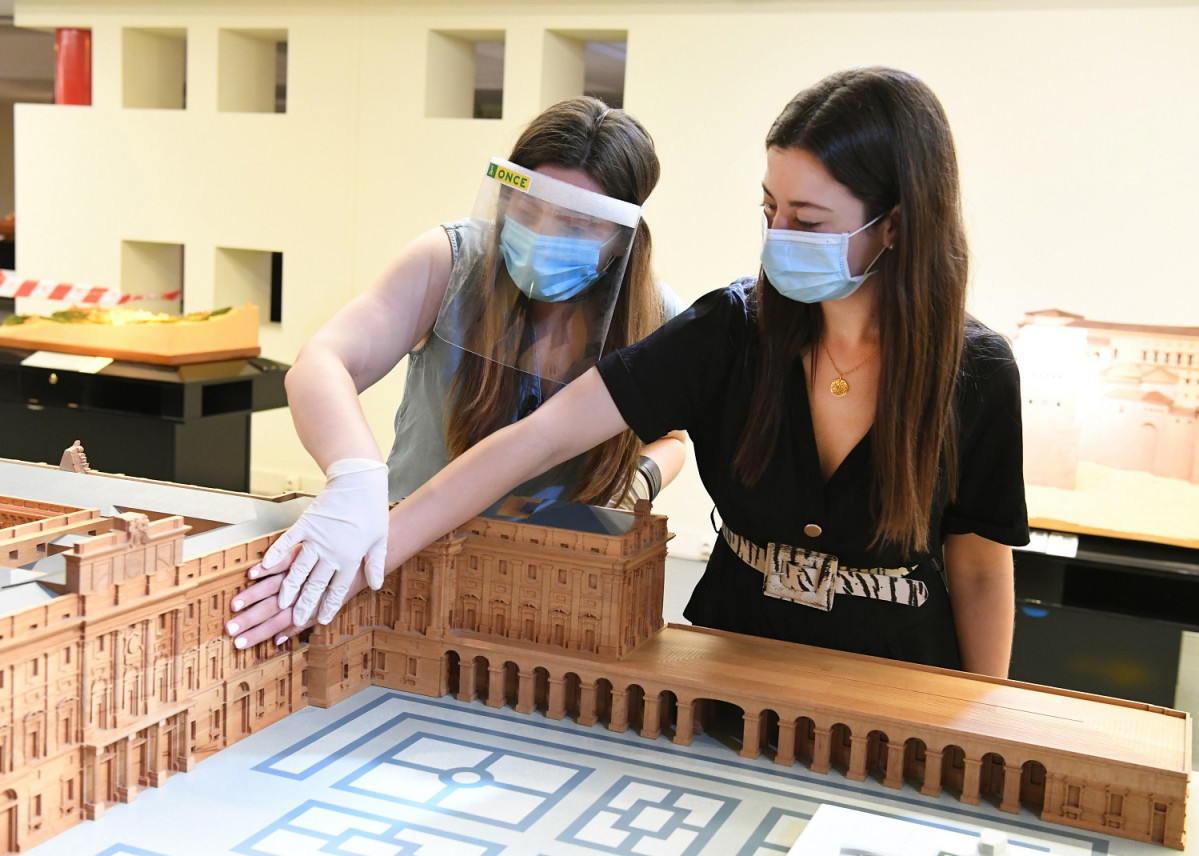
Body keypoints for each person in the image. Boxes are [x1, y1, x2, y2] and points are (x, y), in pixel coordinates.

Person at [232, 67, 1027, 678]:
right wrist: (368, 530)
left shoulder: (977, 371)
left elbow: (980, 569)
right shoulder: (727, 330)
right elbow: (536, 438)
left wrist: (983, 717)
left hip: (895, 669)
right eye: (768, 211)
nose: (779, 237)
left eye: (808, 223)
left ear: (894, 226)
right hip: (727, 657)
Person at [238, 97, 687, 631]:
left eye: (575, 223)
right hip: (407, 556)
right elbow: (324, 361)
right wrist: (354, 476)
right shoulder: (450, 262)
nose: (543, 234)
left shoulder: (655, 317)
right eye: (526, 207)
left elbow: (675, 437)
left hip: (556, 577)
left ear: (621, 237)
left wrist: (638, 480)